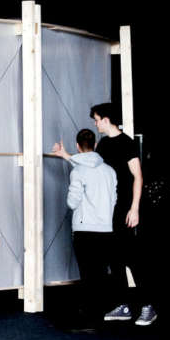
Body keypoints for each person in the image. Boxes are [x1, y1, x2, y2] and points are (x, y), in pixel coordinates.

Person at [53, 102, 156, 326]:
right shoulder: (103, 146)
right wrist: (65, 155)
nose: (95, 123)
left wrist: (135, 208)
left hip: (126, 209)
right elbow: (91, 168)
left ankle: (148, 306)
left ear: (107, 120)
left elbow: (138, 176)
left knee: (132, 259)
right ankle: (124, 305)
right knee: (115, 258)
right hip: (109, 210)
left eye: (97, 119)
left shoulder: (126, 143)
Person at [63, 128, 117, 327]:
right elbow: (114, 199)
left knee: (87, 273)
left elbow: (72, 202)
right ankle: (100, 313)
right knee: (101, 273)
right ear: (94, 145)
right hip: (106, 228)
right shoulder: (109, 171)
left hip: (85, 229)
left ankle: (87, 316)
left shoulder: (78, 171)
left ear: (77, 146)